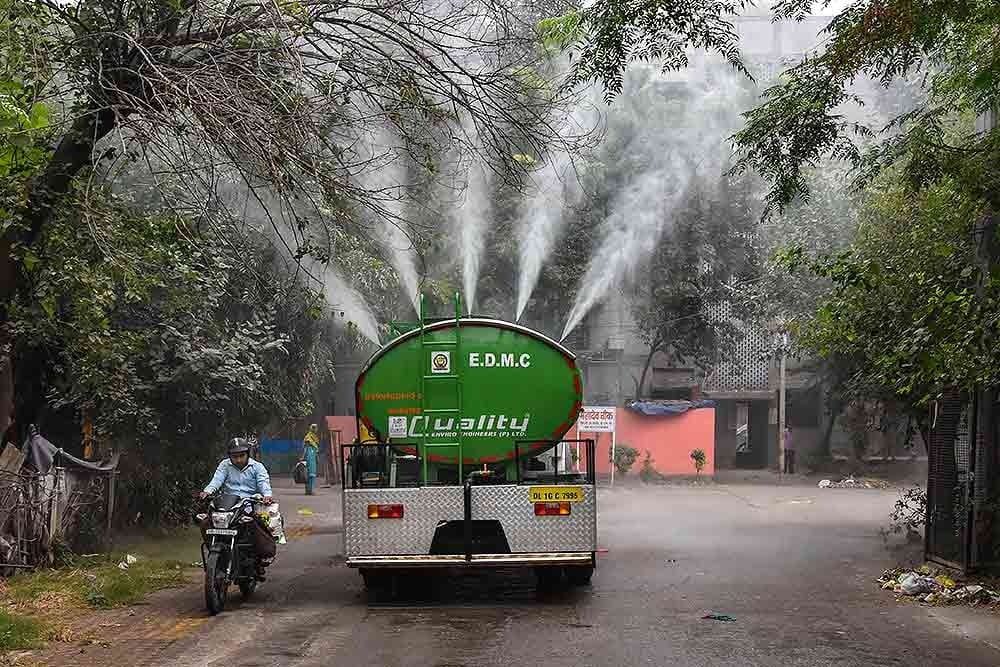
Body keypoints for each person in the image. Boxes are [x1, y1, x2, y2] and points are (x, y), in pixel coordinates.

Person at [200, 438, 286, 546]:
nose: (239, 460)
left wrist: (267, 495)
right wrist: (207, 491)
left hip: (249, 504)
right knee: (206, 523)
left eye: (242, 456)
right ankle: (212, 546)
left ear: (247, 454)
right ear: (229, 456)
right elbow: (217, 480)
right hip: (227, 505)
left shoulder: (257, 467)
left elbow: (263, 482)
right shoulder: (224, 465)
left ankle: (260, 551)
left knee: (258, 525)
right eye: (235, 457)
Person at [302, 424, 320, 495]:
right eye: (315, 428)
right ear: (312, 429)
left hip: (313, 458)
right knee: (308, 475)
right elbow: (305, 448)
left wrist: (316, 457)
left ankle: (310, 490)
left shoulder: (314, 437)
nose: (316, 429)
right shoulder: (308, 437)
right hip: (309, 458)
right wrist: (303, 457)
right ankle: (308, 491)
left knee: (312, 475)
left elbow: (316, 449)